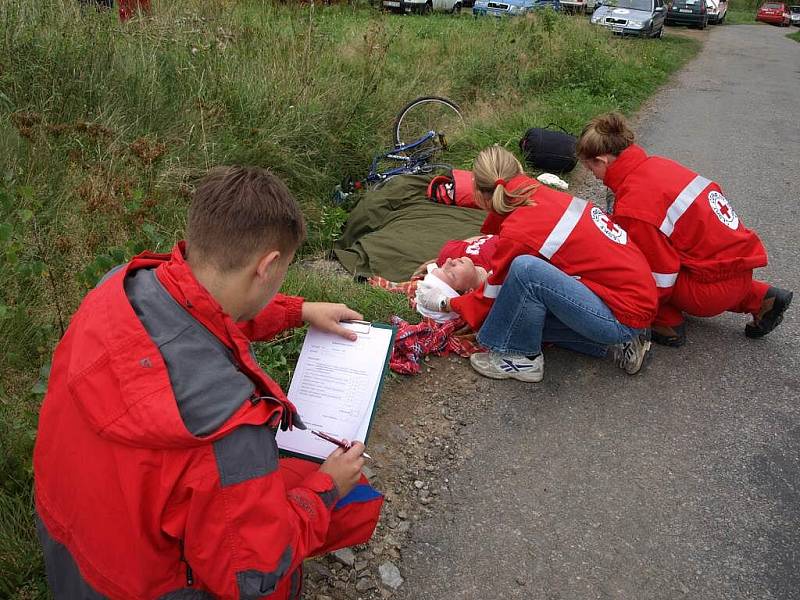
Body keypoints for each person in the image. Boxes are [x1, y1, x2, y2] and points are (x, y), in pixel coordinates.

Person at [33, 166, 383, 599]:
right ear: (269, 265)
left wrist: (298, 311)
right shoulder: (228, 431)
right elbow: (252, 575)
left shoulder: (119, 290)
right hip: (144, 588)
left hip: (68, 547)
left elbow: (198, 313)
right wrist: (326, 489)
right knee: (323, 499)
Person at [416, 146, 658, 383]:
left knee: (520, 283)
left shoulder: (518, 230)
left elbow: (491, 298)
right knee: (522, 308)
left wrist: (447, 303)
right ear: (519, 170)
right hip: (636, 297)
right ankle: (616, 341)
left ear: (478, 193)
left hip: (624, 312)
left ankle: (522, 358)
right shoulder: (544, 196)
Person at [576, 112, 792, 346]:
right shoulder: (657, 165)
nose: (593, 176)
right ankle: (762, 298)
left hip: (711, 291)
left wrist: (637, 305)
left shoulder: (634, 204)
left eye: (590, 168)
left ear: (602, 160)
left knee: (627, 269)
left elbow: (660, 272)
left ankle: (667, 324)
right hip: (739, 268)